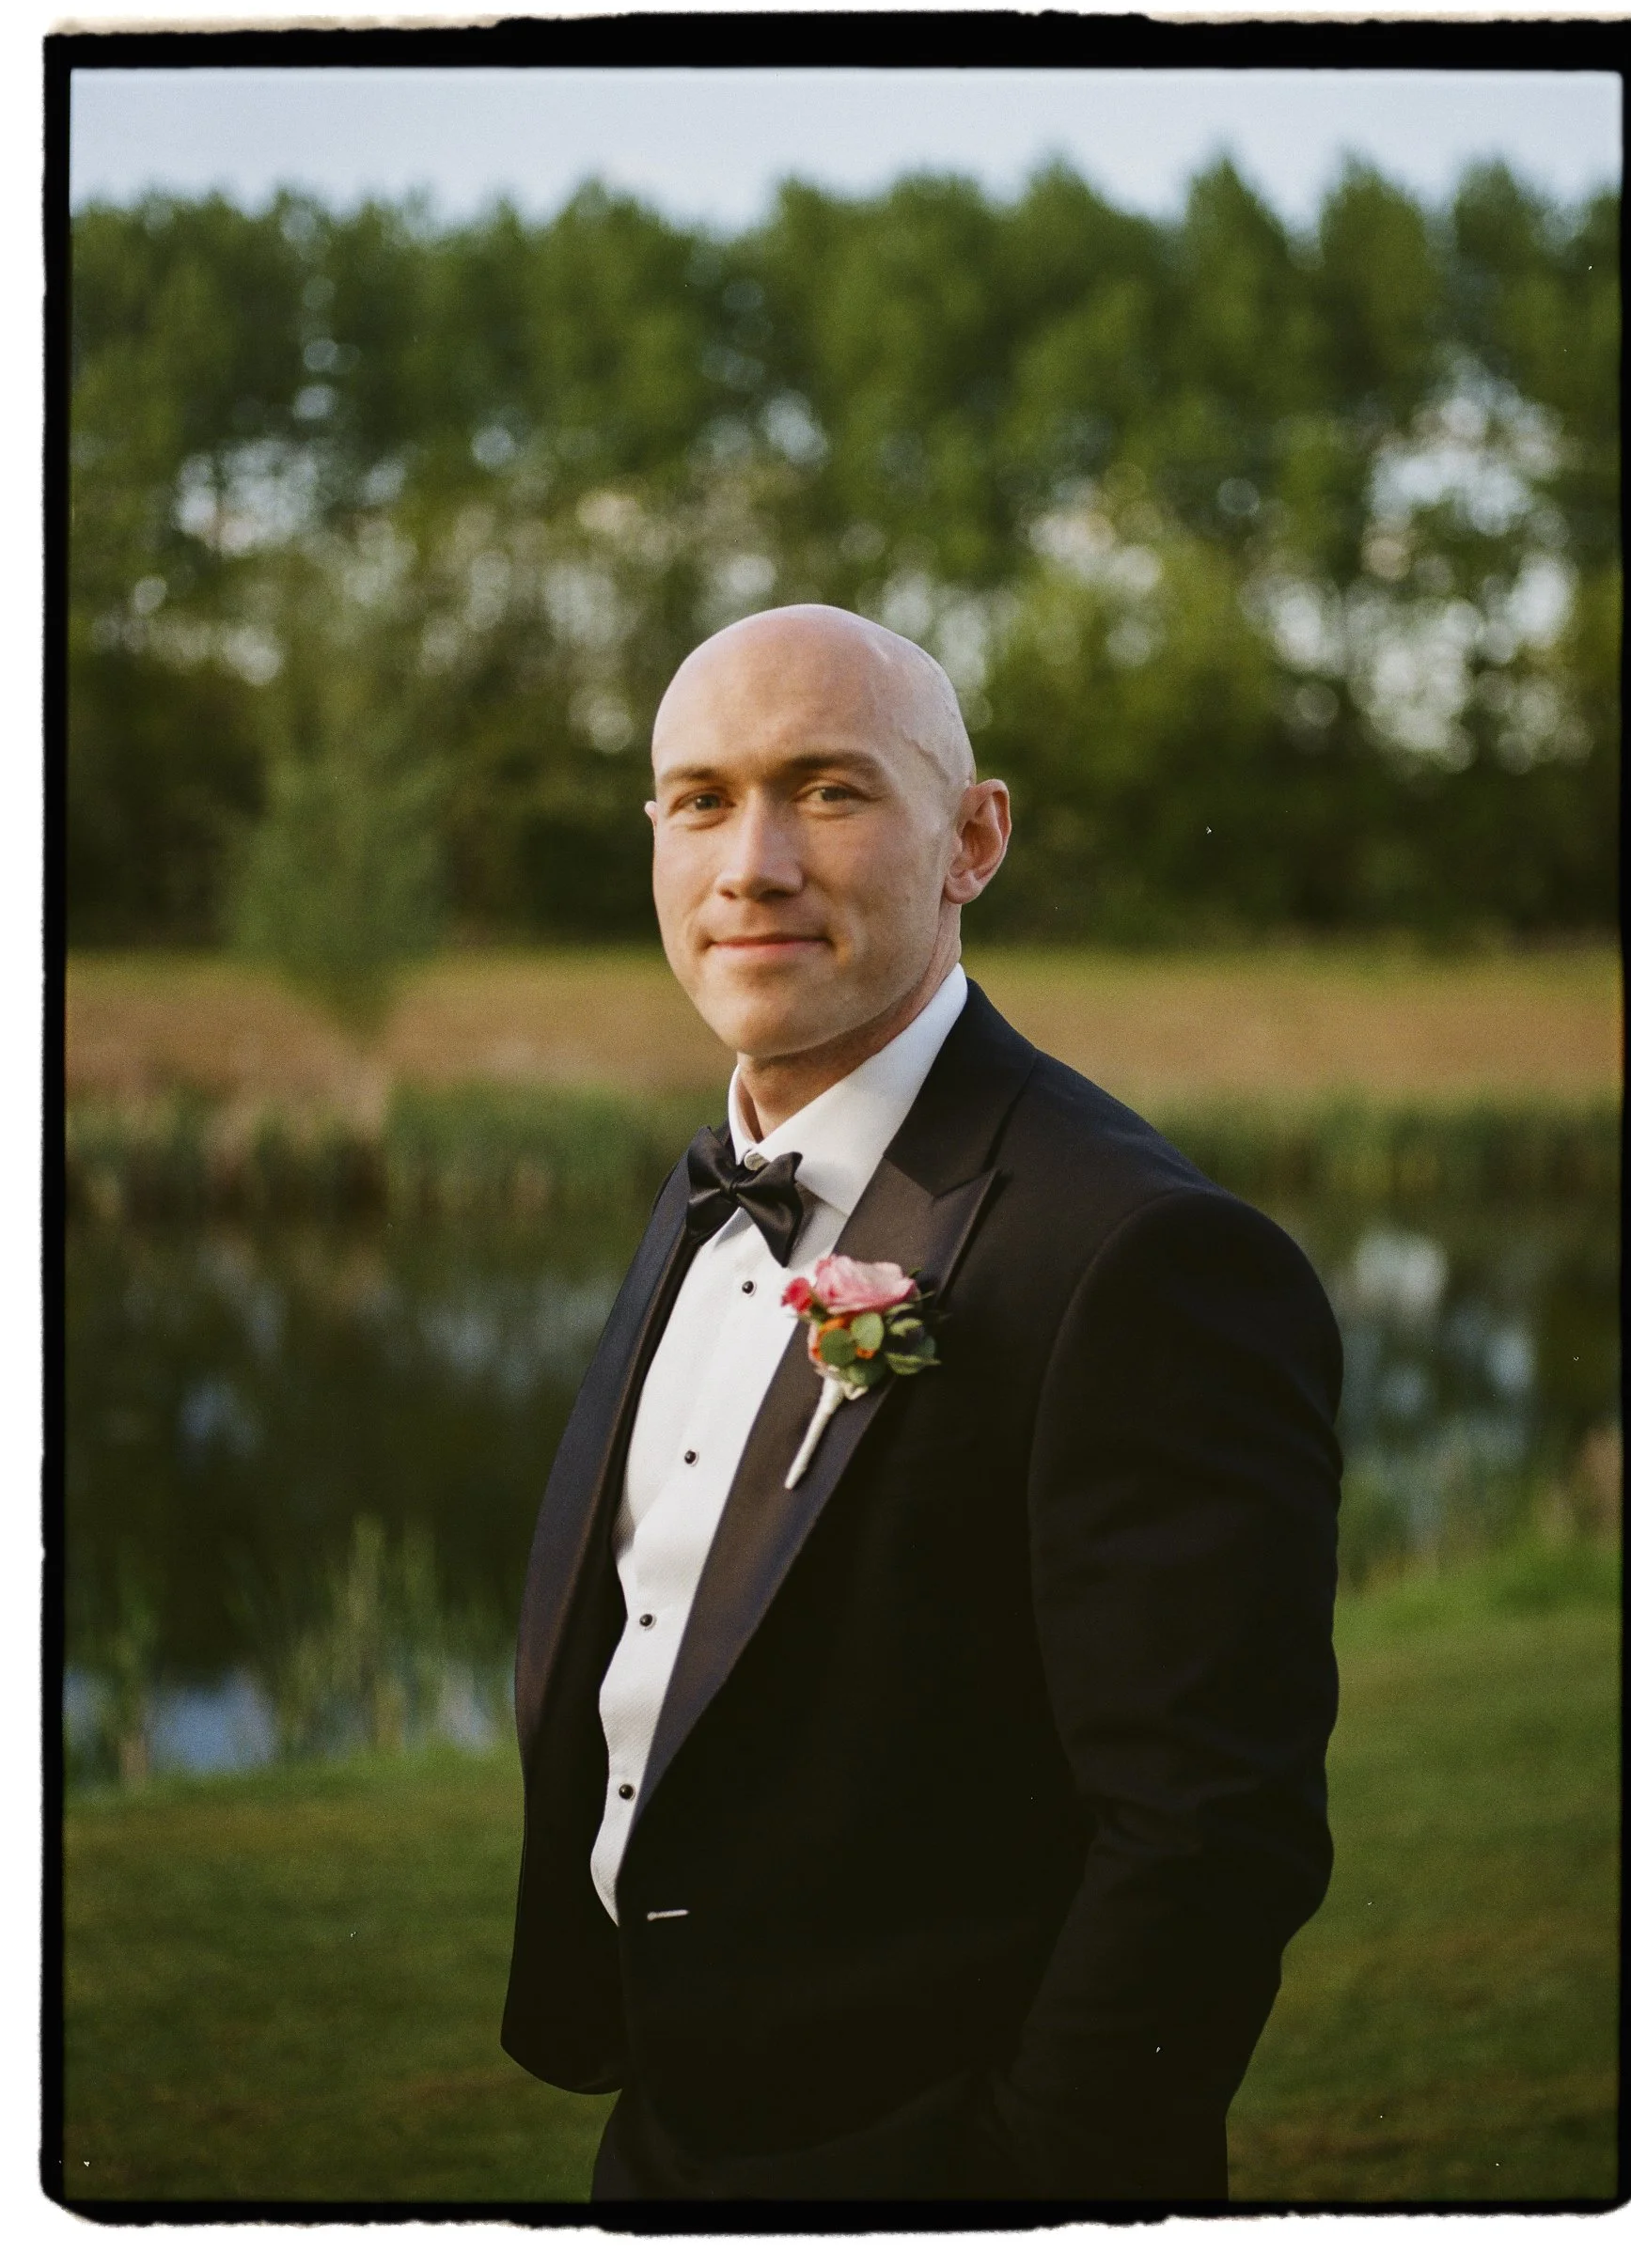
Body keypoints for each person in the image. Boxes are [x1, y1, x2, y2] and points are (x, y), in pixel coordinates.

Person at [501, 603, 1342, 2208]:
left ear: (974, 840)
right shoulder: (717, 1178)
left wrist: (1025, 2184)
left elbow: (1209, 1835)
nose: (751, 863)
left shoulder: (1144, 1255)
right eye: (700, 799)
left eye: (828, 791)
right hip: (669, 2137)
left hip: (939, 2166)